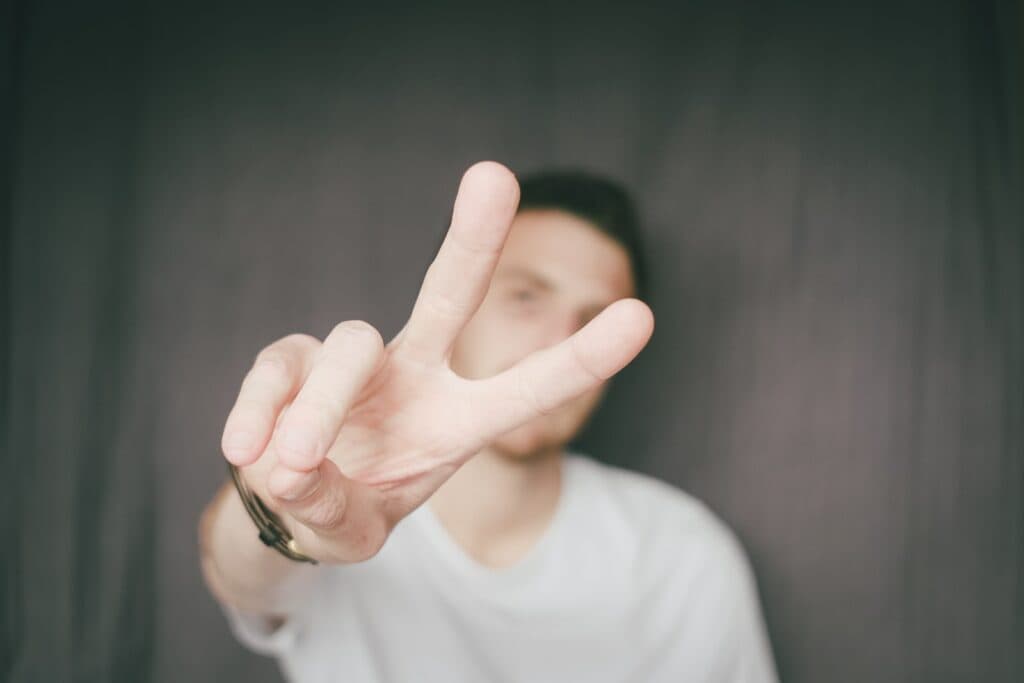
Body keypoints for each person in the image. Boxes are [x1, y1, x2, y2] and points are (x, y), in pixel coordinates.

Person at [198, 161, 779, 682]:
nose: (557, 343)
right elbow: (241, 577)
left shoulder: (678, 554)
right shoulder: (345, 492)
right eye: (526, 297)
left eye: (593, 319)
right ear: (462, 304)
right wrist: (285, 499)